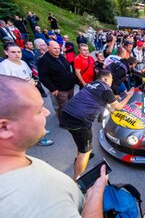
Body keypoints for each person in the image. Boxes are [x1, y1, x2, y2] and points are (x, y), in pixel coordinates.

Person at [0, 75, 108, 218]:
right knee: (84, 150)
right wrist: (96, 193)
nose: (48, 112)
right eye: (38, 111)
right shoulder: (44, 203)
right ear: (4, 128)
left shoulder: (16, 161)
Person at [61, 70, 134, 180]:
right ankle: (76, 180)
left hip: (66, 114)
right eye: (111, 79)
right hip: (80, 120)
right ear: (105, 79)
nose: (111, 81)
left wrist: (114, 96)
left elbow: (101, 96)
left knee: (81, 143)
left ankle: (81, 156)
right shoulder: (106, 89)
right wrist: (129, 96)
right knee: (84, 151)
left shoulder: (92, 84)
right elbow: (118, 107)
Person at [38, 41, 75, 126]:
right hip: (60, 89)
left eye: (58, 48)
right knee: (63, 107)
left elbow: (67, 69)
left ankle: (70, 116)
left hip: (70, 86)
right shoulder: (43, 60)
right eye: (54, 48)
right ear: (48, 48)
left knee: (70, 103)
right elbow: (43, 77)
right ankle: (63, 123)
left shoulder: (61, 56)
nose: (57, 50)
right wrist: (52, 88)